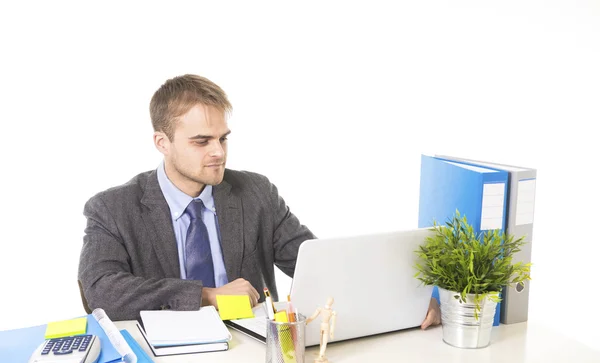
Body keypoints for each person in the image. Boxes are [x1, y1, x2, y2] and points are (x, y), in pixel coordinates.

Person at [78, 74, 442, 327]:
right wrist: (206, 295)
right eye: (202, 141)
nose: (219, 153)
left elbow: (315, 263)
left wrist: (398, 301)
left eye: (223, 138)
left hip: (252, 355)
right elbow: (102, 291)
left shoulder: (255, 193)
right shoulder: (113, 208)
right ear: (162, 143)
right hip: (167, 355)